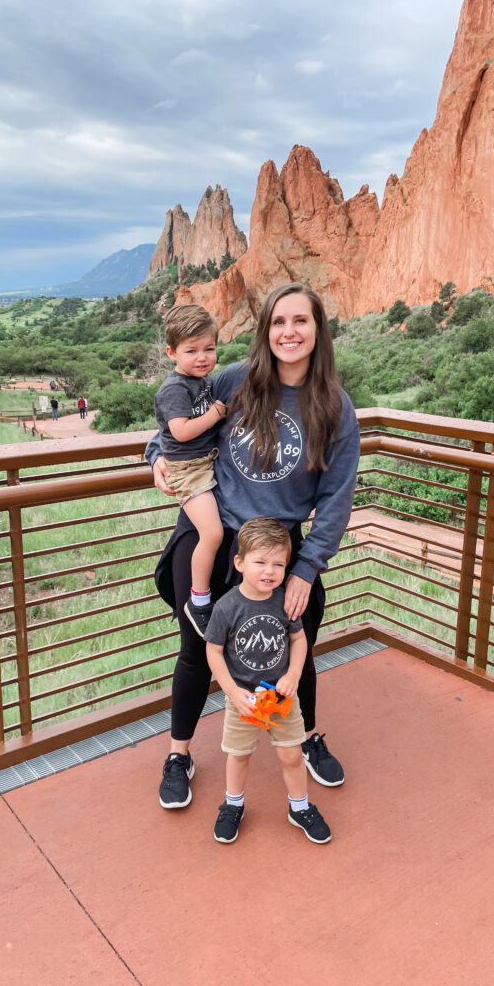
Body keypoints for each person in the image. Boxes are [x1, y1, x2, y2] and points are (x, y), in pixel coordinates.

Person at [147, 281, 360, 810]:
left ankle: (305, 736)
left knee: (296, 644)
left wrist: (307, 569)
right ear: (265, 330)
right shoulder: (236, 380)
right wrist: (154, 453)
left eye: (300, 321)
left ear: (317, 330)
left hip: (280, 551)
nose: (288, 332)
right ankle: (180, 753)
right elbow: (178, 426)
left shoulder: (333, 406)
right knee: (197, 650)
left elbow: (335, 498)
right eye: (278, 322)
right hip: (212, 537)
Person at [206, 517, 331, 844]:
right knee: (239, 755)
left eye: (279, 563)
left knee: (291, 755)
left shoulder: (284, 600)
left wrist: (292, 675)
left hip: (279, 697)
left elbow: (299, 641)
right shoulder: (227, 607)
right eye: (260, 561)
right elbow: (214, 652)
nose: (270, 571)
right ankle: (233, 804)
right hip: (243, 699)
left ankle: (299, 807)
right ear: (240, 562)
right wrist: (232, 692)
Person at [153, 304, 227, 639]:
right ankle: (199, 600)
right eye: (191, 351)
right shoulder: (175, 388)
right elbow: (180, 432)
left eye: (209, 349)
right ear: (171, 353)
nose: (202, 357)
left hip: (204, 463)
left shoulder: (203, 381)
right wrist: (215, 414)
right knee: (212, 534)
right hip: (189, 472)